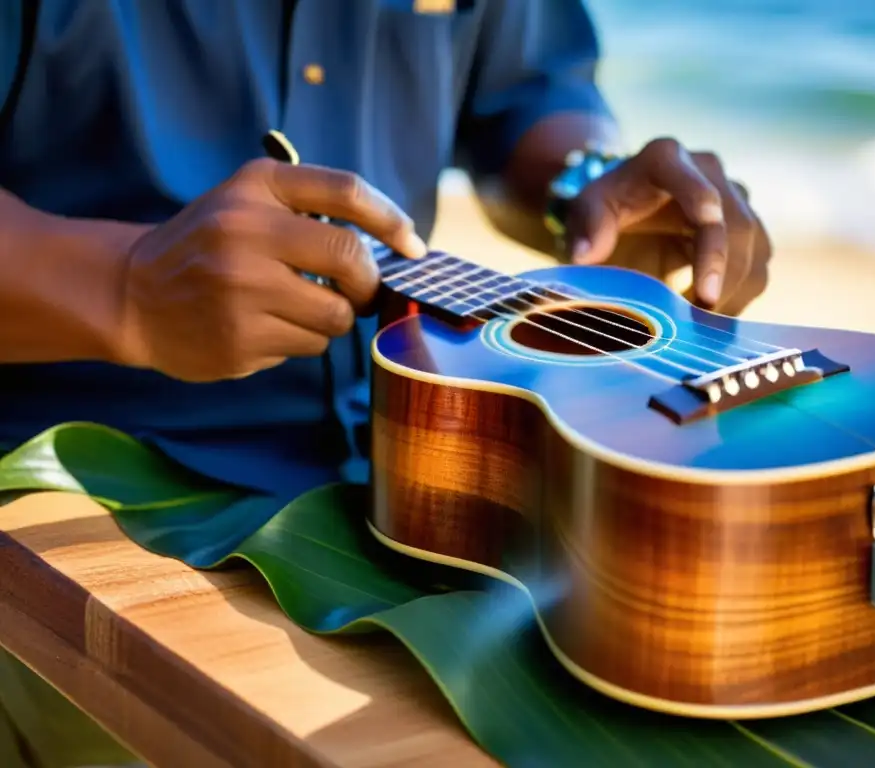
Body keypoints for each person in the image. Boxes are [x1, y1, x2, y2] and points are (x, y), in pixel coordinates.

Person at [0, 0, 772, 764]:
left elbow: (528, 94)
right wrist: (124, 290)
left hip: (424, 480)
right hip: (83, 492)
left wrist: (590, 182)